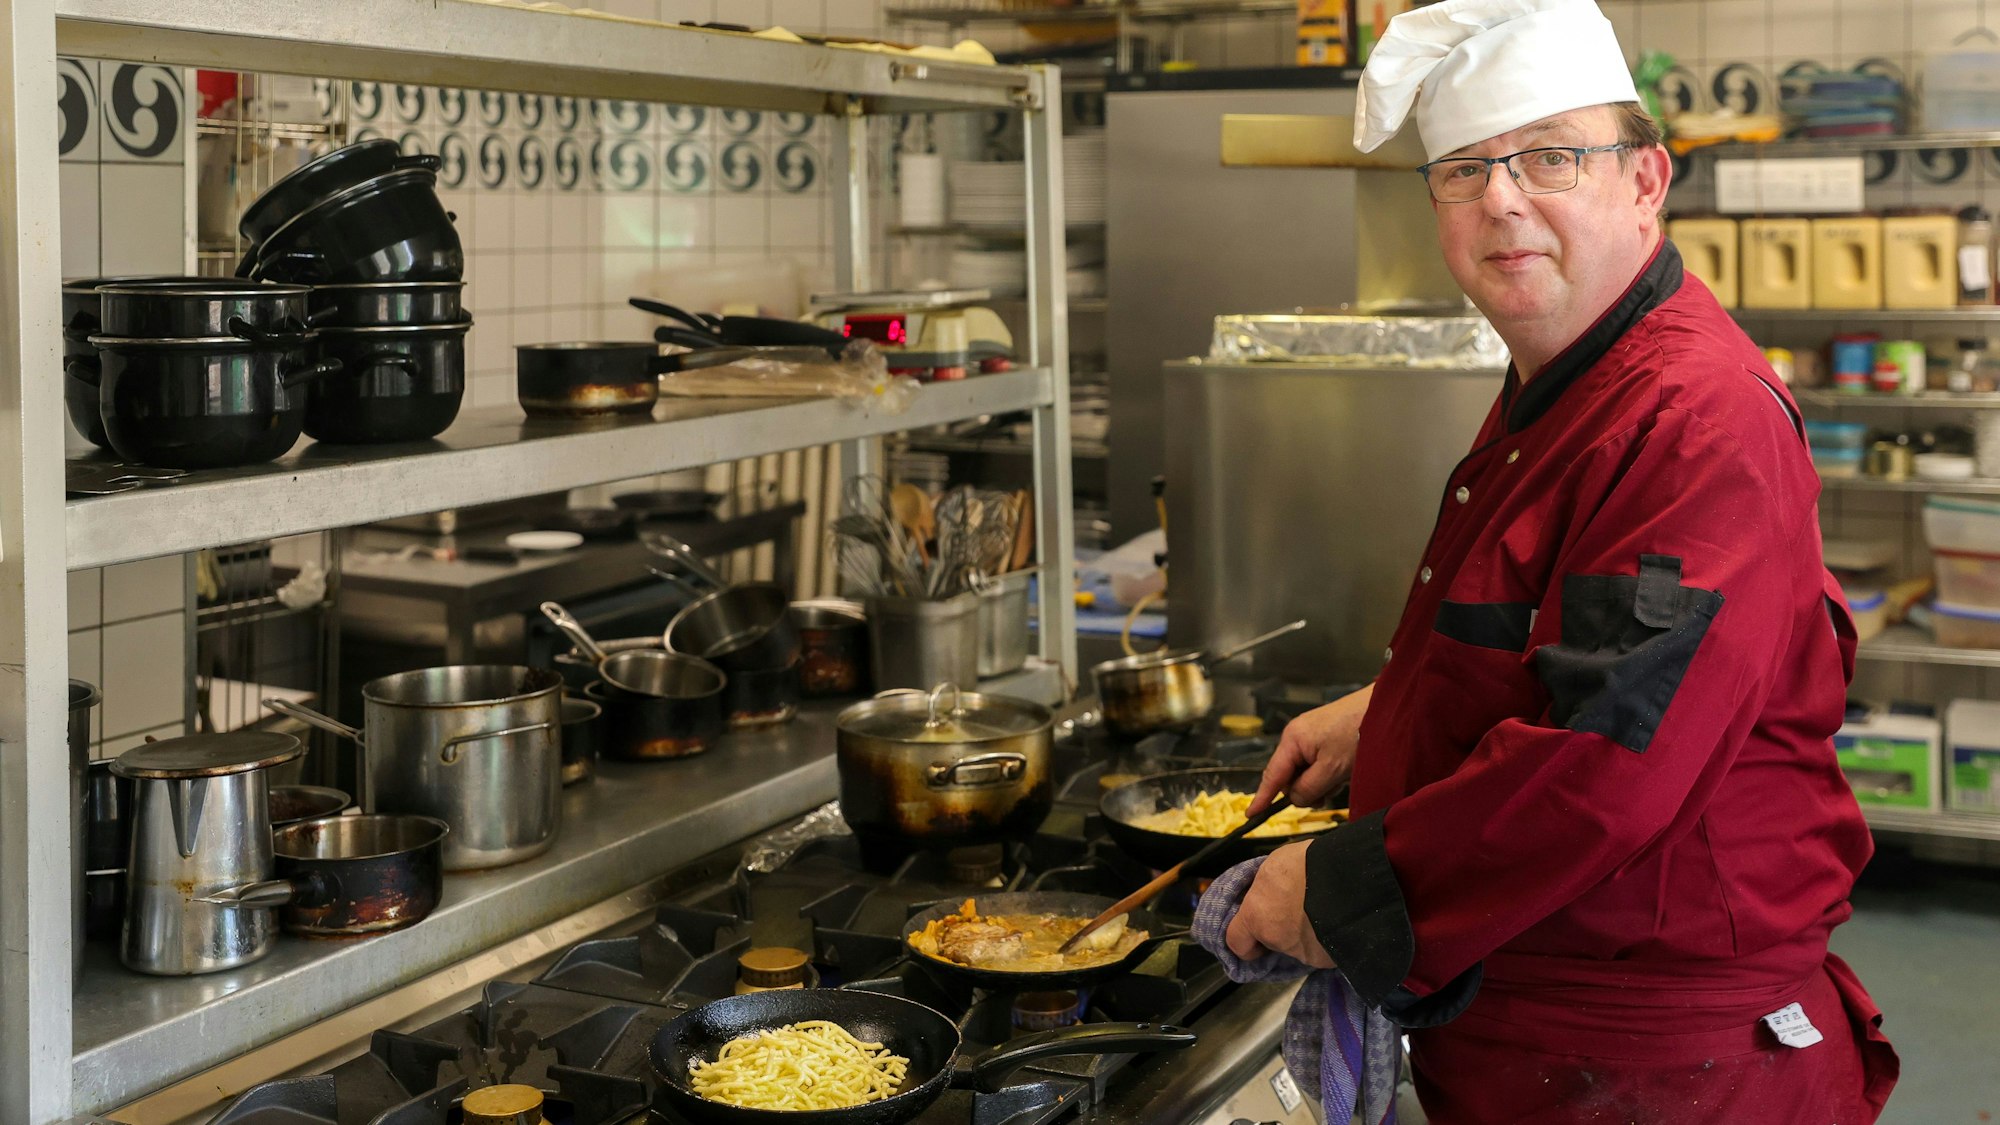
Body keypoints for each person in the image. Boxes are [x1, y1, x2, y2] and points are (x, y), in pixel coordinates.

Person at [1222, 0, 1901, 1121]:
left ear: (1644, 181)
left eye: (1550, 157)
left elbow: (1605, 761)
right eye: (1462, 169)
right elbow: (1557, 635)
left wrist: (1336, 893)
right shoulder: (1570, 373)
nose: (1500, 198)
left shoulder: (1692, 417)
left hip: (1661, 1063)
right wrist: (1390, 710)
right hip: (1544, 1028)